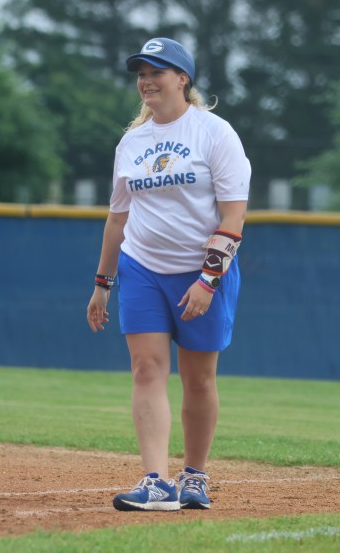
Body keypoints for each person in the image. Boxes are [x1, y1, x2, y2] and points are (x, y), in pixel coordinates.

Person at [86, 37, 251, 512]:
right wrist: (102, 283)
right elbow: (117, 220)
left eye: (156, 72)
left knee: (198, 379)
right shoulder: (132, 142)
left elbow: (233, 216)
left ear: (183, 79)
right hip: (142, 268)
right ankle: (156, 481)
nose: (146, 81)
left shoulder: (214, 133)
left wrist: (207, 281)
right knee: (146, 369)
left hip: (201, 271)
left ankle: (194, 475)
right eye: (141, 73)